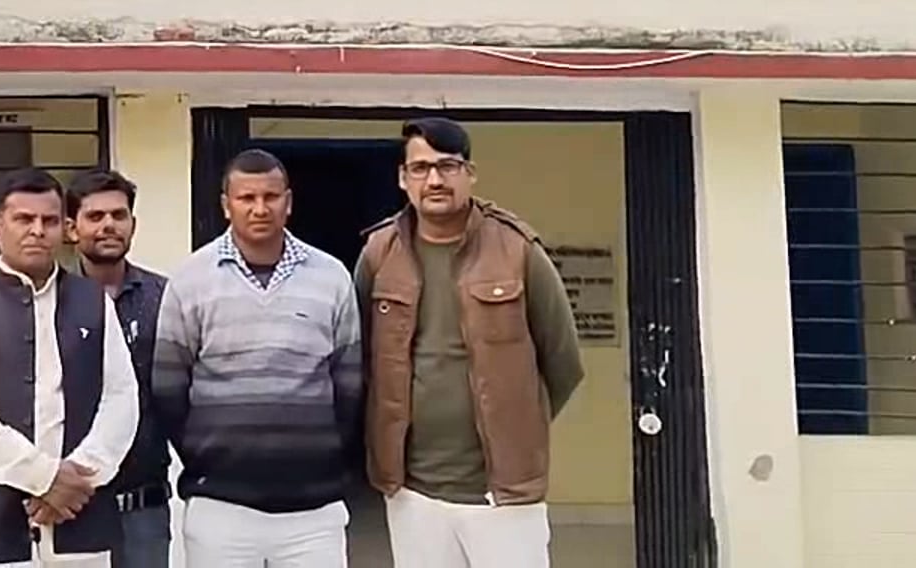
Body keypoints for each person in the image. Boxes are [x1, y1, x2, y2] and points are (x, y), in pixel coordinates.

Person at [356, 118, 584, 568]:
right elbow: (360, 359)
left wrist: (515, 425)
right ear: (403, 178)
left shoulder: (518, 250)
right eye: (420, 168)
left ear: (470, 173)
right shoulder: (380, 254)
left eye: (447, 166)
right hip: (411, 492)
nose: (434, 180)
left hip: (502, 495)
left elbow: (563, 363)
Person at [153, 148, 361, 568]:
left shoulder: (331, 276)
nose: (260, 208)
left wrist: (320, 453)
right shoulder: (191, 279)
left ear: (289, 201)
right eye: (247, 198)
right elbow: (169, 387)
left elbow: (350, 384)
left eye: (271, 196)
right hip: (220, 507)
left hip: (313, 511)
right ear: (226, 205)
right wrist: (207, 454)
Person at [0, 167, 139, 567]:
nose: (37, 231)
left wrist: (77, 480)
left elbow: (121, 396)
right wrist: (43, 477)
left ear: (65, 228)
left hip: (80, 517)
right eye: (24, 219)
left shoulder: (93, 299)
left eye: (49, 221)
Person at [64, 169, 170, 568]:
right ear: (72, 228)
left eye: (119, 215)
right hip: (72, 502)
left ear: (133, 225)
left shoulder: (164, 298)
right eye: (95, 216)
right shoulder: (51, 301)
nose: (109, 225)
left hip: (144, 505)